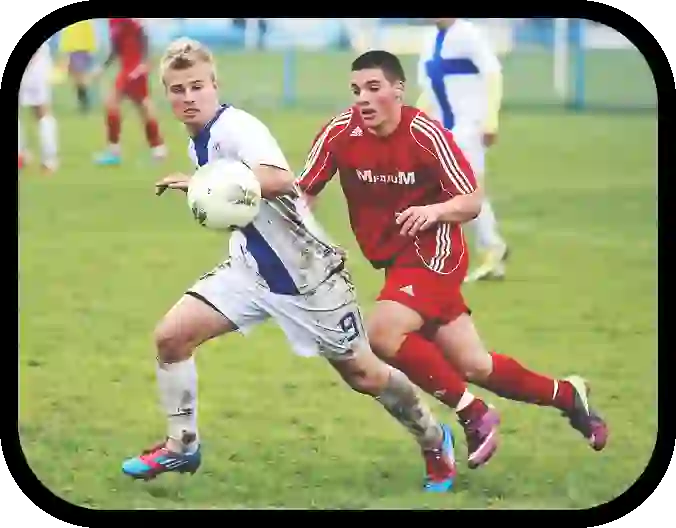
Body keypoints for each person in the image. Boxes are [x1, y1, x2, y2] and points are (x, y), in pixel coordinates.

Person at [121, 38, 458, 493]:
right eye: (177, 89)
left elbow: (282, 180)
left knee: (364, 374)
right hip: (251, 271)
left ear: (214, 85)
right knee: (171, 337)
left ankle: (434, 438)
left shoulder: (238, 128)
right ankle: (182, 445)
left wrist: (212, 182)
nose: (188, 97)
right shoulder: (198, 140)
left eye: (197, 86)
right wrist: (208, 187)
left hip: (308, 278)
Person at [296, 50, 609, 461]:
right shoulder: (339, 133)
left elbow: (471, 200)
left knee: (384, 333)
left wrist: (434, 211)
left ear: (398, 90)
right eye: (356, 90)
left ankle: (473, 413)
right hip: (395, 262)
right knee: (475, 365)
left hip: (435, 253)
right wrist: (295, 235)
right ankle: (569, 397)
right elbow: (303, 192)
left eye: (374, 88)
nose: (363, 99)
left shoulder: (425, 134)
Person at [417, 18, 508, 282]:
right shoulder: (429, 40)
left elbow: (493, 73)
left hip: (470, 126)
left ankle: (490, 249)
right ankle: (488, 249)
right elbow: (430, 90)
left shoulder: (468, 34)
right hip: (444, 129)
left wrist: (491, 118)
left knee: (463, 190)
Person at [92, 18, 166, 165]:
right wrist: (103, 66)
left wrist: (144, 62)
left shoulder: (128, 20)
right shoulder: (112, 22)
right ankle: (158, 149)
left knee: (114, 102)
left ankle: (114, 151)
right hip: (127, 68)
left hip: (135, 68)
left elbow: (143, 35)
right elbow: (116, 48)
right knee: (142, 106)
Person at [19, 41, 59, 173]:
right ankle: (48, 161)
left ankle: (21, 155)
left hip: (37, 62)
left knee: (41, 111)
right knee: (42, 111)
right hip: (38, 61)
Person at [58, 19, 98, 113]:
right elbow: (66, 36)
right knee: (76, 78)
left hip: (81, 50)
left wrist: (91, 49)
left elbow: (90, 35)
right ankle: (83, 101)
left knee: (80, 78)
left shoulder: (86, 23)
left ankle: (85, 102)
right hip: (73, 51)